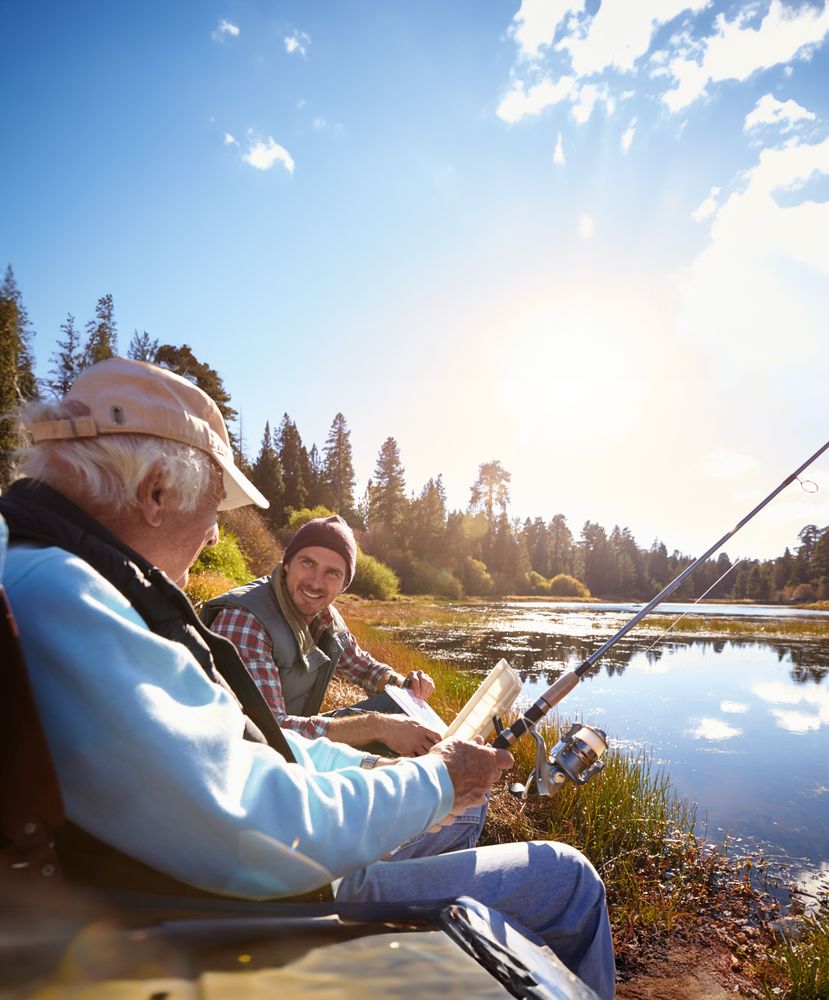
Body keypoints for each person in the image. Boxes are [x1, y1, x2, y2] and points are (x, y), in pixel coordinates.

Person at [0, 357, 615, 999]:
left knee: (462, 814)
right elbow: (258, 825)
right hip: (279, 906)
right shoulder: (70, 597)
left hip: (257, 875)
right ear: (155, 492)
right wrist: (437, 776)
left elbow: (238, 747)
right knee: (567, 877)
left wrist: (377, 766)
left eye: (335, 574)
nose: (215, 535)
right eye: (214, 508)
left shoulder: (71, 580)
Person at [202, 515, 441, 757]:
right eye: (307, 563)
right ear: (287, 563)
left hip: (291, 743)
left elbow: (365, 669)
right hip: (245, 756)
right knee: (388, 731)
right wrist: (376, 727)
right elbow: (267, 732)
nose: (316, 582)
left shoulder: (326, 617)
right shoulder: (245, 620)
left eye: (332, 573)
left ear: (344, 585)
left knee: (402, 705)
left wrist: (406, 685)